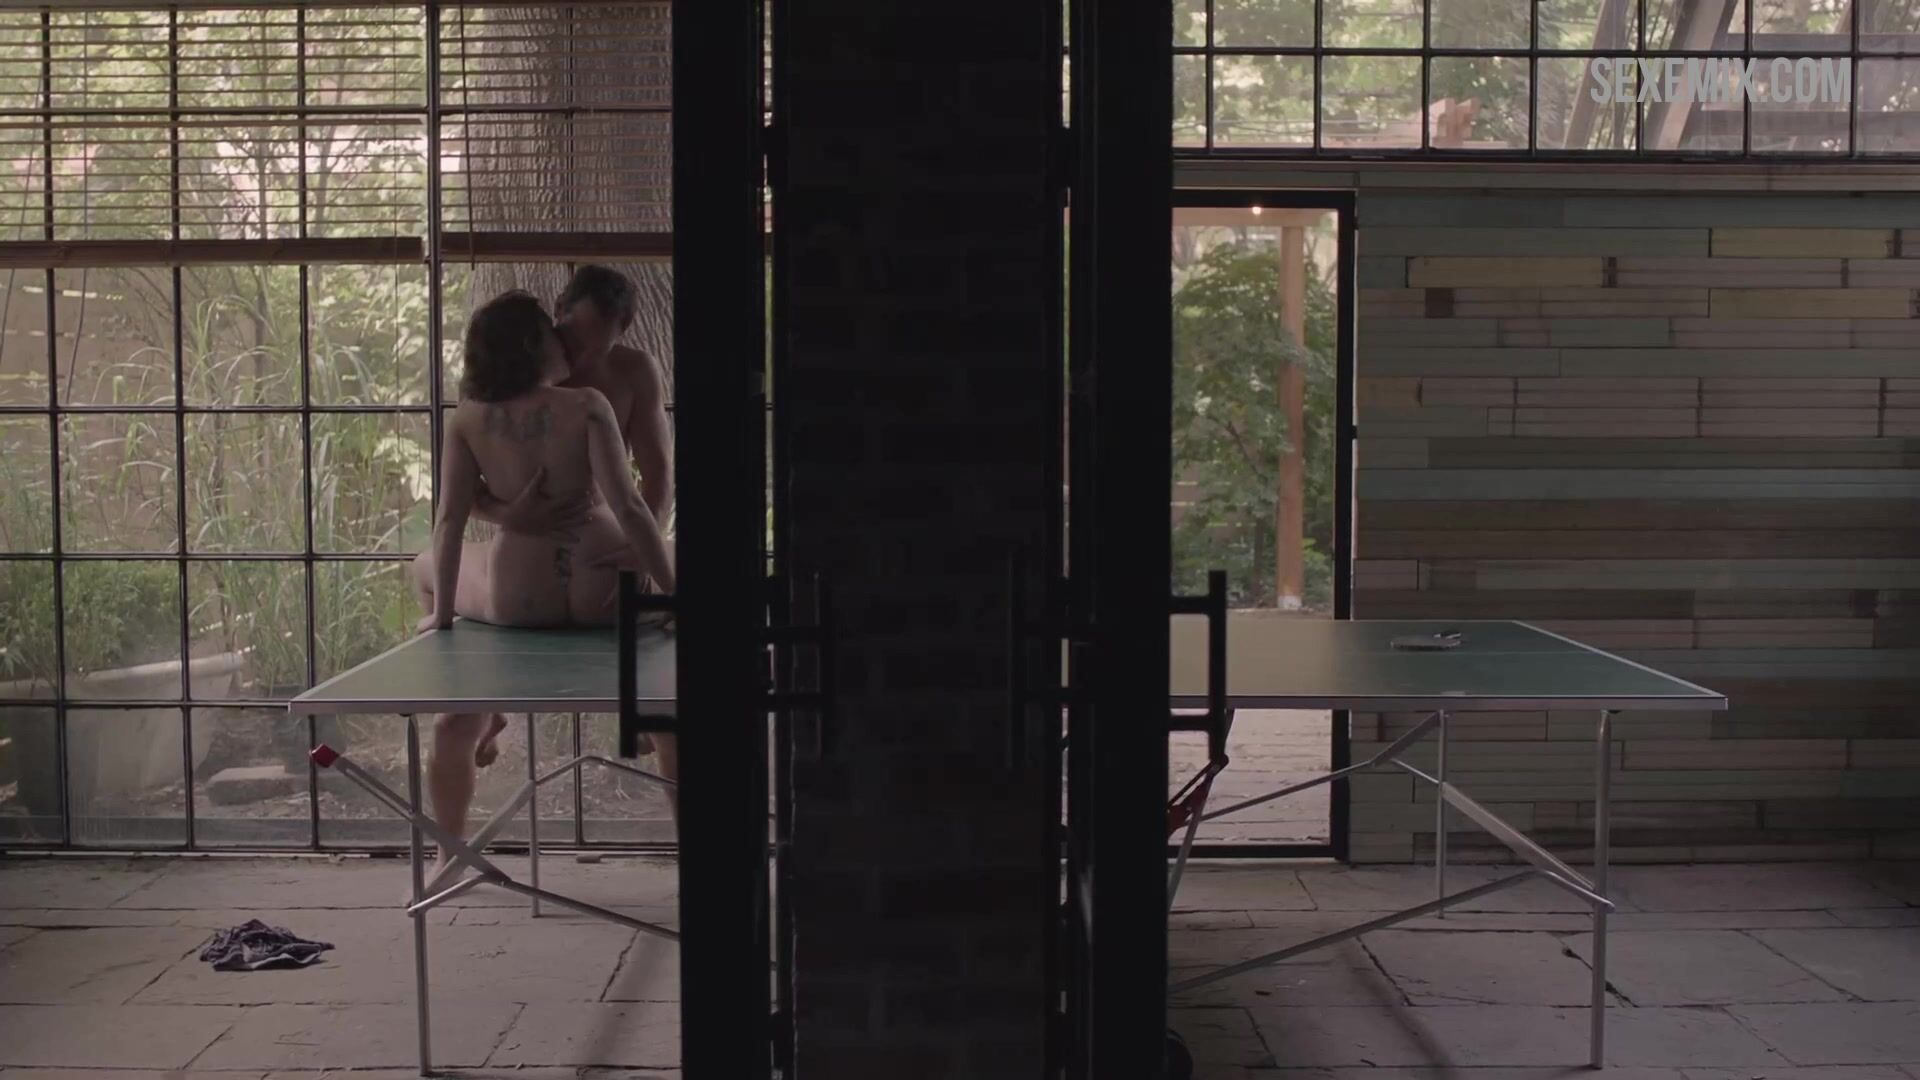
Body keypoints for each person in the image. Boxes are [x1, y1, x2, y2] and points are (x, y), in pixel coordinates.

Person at [410, 290, 675, 887]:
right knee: (671, 564)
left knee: (422, 564)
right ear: (534, 345)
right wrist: (668, 594)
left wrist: (444, 617)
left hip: (518, 597)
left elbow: (450, 520)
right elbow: (631, 508)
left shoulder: (469, 417)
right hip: (603, 589)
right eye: (554, 337)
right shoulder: (587, 404)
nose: (566, 348)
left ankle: (447, 854)